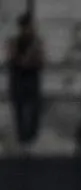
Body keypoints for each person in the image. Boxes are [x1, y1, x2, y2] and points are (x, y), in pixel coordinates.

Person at [6, 12, 44, 149]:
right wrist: (27, 59)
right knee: (20, 111)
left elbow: (40, 61)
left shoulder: (36, 42)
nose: (30, 29)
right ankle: (23, 137)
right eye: (28, 27)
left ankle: (30, 136)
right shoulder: (15, 42)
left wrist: (29, 59)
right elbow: (15, 59)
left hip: (32, 81)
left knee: (34, 109)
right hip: (19, 81)